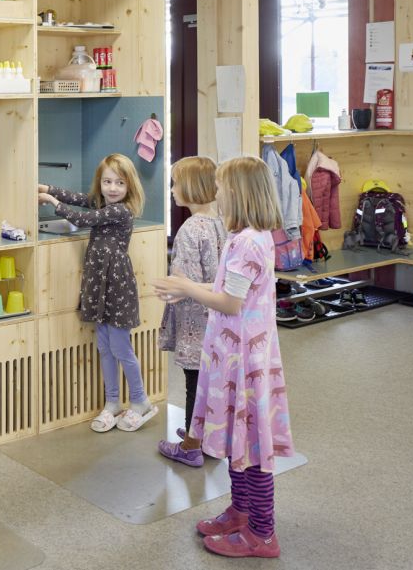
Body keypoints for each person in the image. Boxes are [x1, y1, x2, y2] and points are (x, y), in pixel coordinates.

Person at [152, 156, 295, 559]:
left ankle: (262, 532)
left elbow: (231, 303)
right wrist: (190, 289)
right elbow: (229, 292)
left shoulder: (248, 243)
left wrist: (185, 286)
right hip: (231, 355)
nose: (216, 193)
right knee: (237, 440)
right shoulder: (249, 236)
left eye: (221, 187)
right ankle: (241, 511)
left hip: (243, 362)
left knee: (249, 446)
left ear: (239, 194)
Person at [38, 153, 156, 433]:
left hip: (117, 288)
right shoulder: (104, 202)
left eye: (119, 183)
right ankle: (112, 402)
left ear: (129, 187)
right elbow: (81, 199)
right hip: (99, 284)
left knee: (120, 347)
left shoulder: (120, 211)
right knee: (104, 346)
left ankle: (140, 401)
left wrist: (52, 202)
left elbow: (81, 217)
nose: (112, 188)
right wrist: (49, 189)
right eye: (107, 182)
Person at [158, 156, 227, 467]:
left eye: (175, 184)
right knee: (211, 381)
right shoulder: (221, 223)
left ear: (189, 188)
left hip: (194, 321)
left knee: (193, 382)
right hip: (219, 317)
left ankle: (190, 444)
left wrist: (168, 289)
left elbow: (184, 281)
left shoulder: (188, 230)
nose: (172, 190)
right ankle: (208, 437)